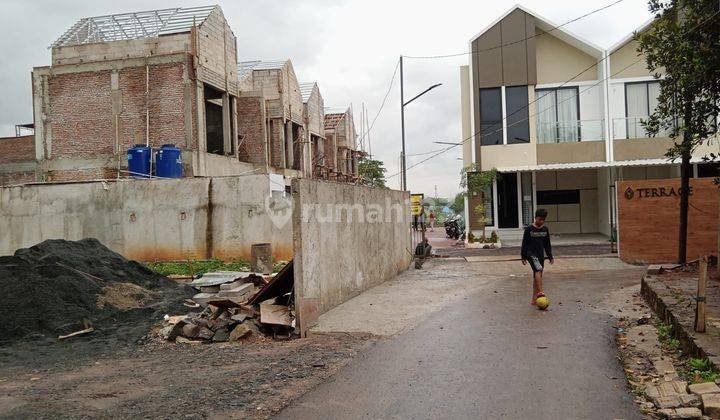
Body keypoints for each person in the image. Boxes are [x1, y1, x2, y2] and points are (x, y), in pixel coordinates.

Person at [521, 208, 554, 305]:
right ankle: (540, 293)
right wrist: (523, 256)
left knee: (538, 276)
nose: (541, 221)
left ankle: (534, 298)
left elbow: (547, 244)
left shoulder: (545, 229)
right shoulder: (529, 229)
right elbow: (524, 243)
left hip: (540, 255)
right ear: (535, 218)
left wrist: (550, 256)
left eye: (543, 220)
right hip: (530, 254)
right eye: (539, 219)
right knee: (538, 270)